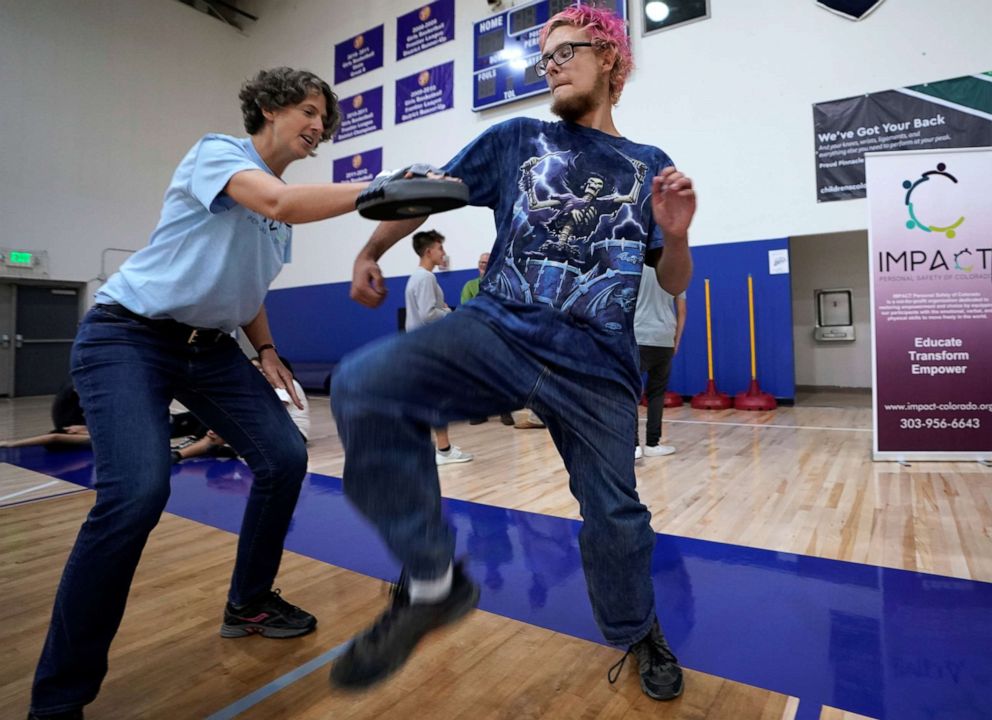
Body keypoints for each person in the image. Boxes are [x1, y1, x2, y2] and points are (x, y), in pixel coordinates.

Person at [330, 5, 695, 702]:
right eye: (545, 58)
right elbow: (429, 191)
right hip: (500, 330)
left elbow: (671, 280)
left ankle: (637, 628)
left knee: (617, 518)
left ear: (612, 59)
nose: (551, 66)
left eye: (567, 53)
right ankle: (434, 582)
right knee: (364, 384)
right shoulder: (517, 139)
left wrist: (675, 236)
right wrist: (370, 249)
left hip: (598, 367)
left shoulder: (650, 166)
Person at [28, 67, 380, 720]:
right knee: (137, 492)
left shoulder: (280, 218)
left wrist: (267, 349)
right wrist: (381, 189)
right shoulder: (220, 153)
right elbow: (275, 202)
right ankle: (57, 701)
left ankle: (249, 602)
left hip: (212, 351)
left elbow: (246, 288)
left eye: (324, 120)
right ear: (271, 108)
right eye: (308, 110)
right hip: (127, 336)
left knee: (285, 456)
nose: (318, 126)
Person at [404, 229, 473, 465]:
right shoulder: (426, 278)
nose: (443, 252)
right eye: (440, 248)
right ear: (428, 251)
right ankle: (443, 450)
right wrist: (449, 312)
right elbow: (428, 314)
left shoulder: (418, 278)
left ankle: (434, 448)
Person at [633, 274, 686, 459]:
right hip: (664, 338)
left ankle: (633, 446)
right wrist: (676, 341)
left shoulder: (636, 267)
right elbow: (682, 311)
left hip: (638, 336)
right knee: (656, 394)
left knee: (630, 392)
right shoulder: (674, 269)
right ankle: (652, 444)